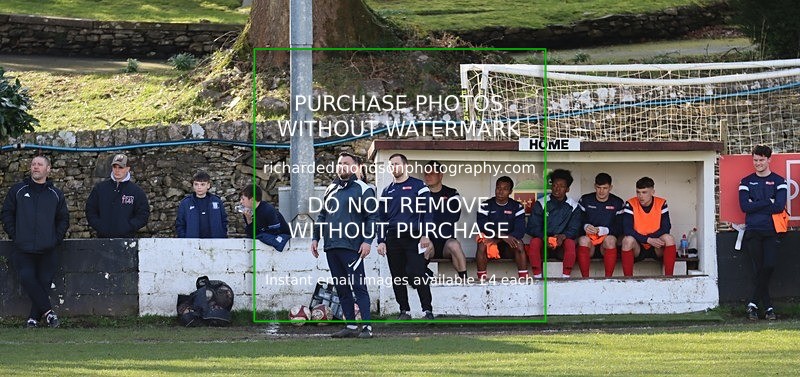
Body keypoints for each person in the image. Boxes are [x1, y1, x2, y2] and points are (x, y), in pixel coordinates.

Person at [312, 152, 378, 338]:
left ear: (355, 167)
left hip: (353, 247)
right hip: (331, 246)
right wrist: (315, 237)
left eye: (346, 163)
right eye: (339, 163)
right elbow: (322, 216)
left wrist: (367, 241)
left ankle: (367, 328)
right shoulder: (330, 189)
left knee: (358, 287)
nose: (341, 166)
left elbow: (372, 217)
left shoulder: (364, 189)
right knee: (341, 287)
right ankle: (350, 326)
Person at [1, 156, 69, 328]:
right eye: (33, 164)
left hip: (48, 248)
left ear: (48, 169)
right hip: (23, 248)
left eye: (39, 164)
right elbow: (7, 213)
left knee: (44, 282)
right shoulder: (18, 190)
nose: (35, 167)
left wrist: (55, 239)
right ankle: (49, 314)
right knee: (27, 278)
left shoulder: (56, 194)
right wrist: (15, 235)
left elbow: (63, 219)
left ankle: (33, 318)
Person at [376, 153, 435, 320]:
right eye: (391, 165)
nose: (393, 167)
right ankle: (404, 311)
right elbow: (382, 219)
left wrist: (425, 235)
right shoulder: (387, 191)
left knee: (417, 272)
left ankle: (427, 310)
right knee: (397, 275)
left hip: (414, 236)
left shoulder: (419, 186)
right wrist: (381, 241)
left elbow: (427, 212)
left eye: (396, 164)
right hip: (393, 237)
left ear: (405, 166)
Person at [738, 145, 787, 321]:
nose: (758, 163)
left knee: (769, 267)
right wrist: (768, 201)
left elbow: (779, 206)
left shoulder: (780, 181)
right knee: (759, 269)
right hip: (753, 231)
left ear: (769, 160)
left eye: (761, 160)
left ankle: (753, 303)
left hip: (772, 231)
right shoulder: (745, 181)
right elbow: (745, 207)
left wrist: (756, 204)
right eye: (755, 160)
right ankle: (768, 309)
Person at [526, 169, 581, 278]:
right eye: (555, 185)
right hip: (544, 243)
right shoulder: (541, 203)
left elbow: (575, 228)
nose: (557, 188)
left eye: (561, 186)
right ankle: (537, 277)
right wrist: (544, 237)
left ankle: (566, 278)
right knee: (534, 242)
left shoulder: (573, 206)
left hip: (562, 244)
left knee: (570, 243)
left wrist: (562, 236)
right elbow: (532, 227)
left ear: (567, 189)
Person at [620, 177, 676, 277]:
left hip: (656, 245)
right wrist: (647, 239)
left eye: (644, 192)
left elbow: (666, 227)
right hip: (639, 245)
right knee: (627, 240)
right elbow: (627, 229)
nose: (640, 196)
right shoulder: (630, 203)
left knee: (669, 238)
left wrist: (652, 239)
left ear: (652, 192)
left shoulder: (661, 203)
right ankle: (628, 280)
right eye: (638, 192)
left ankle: (669, 278)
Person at [476, 176, 529, 281]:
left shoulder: (517, 207)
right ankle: (481, 280)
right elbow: (483, 226)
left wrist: (501, 238)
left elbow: (520, 231)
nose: (500, 191)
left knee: (519, 244)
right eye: (498, 188)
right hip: (493, 243)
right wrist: (502, 237)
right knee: (482, 244)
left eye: (505, 189)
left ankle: (523, 280)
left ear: (510, 191)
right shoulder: (485, 205)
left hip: (509, 246)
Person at [85, 154, 150, 238]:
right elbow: (90, 210)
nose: (117, 170)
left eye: (120, 167)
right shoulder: (100, 189)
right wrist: (100, 226)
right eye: (115, 167)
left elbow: (143, 214)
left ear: (127, 169)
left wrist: (129, 227)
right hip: (103, 240)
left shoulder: (136, 191)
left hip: (127, 241)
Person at [423, 160, 468, 280]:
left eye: (432, 173)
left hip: (446, 242)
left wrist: (430, 215)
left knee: (455, 245)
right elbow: (417, 218)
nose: (428, 176)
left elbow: (453, 216)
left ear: (440, 175)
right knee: (423, 246)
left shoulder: (452, 193)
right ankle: (422, 275)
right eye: (426, 173)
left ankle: (464, 281)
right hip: (428, 240)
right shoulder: (421, 194)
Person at [576, 173, 625, 277]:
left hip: (606, 244)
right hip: (590, 242)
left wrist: (604, 230)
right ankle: (585, 279)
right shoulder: (585, 199)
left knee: (610, 240)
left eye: (605, 188)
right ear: (595, 186)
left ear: (610, 187)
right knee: (583, 240)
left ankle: (608, 278)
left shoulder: (617, 202)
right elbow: (577, 221)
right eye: (598, 187)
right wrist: (585, 226)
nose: (601, 191)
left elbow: (621, 227)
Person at [175, 171, 228, 238]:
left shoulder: (217, 201)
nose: (199, 187)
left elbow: (224, 221)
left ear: (208, 185)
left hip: (215, 242)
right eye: (196, 184)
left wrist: (221, 235)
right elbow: (180, 224)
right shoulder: (186, 203)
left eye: (202, 184)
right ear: (193, 185)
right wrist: (185, 238)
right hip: (192, 244)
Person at [239, 185, 291, 252]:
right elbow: (251, 234)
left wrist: (261, 234)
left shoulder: (268, 210)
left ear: (252, 199)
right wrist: (249, 220)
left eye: (243, 199)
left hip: (283, 245)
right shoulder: (248, 212)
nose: (241, 202)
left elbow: (275, 232)